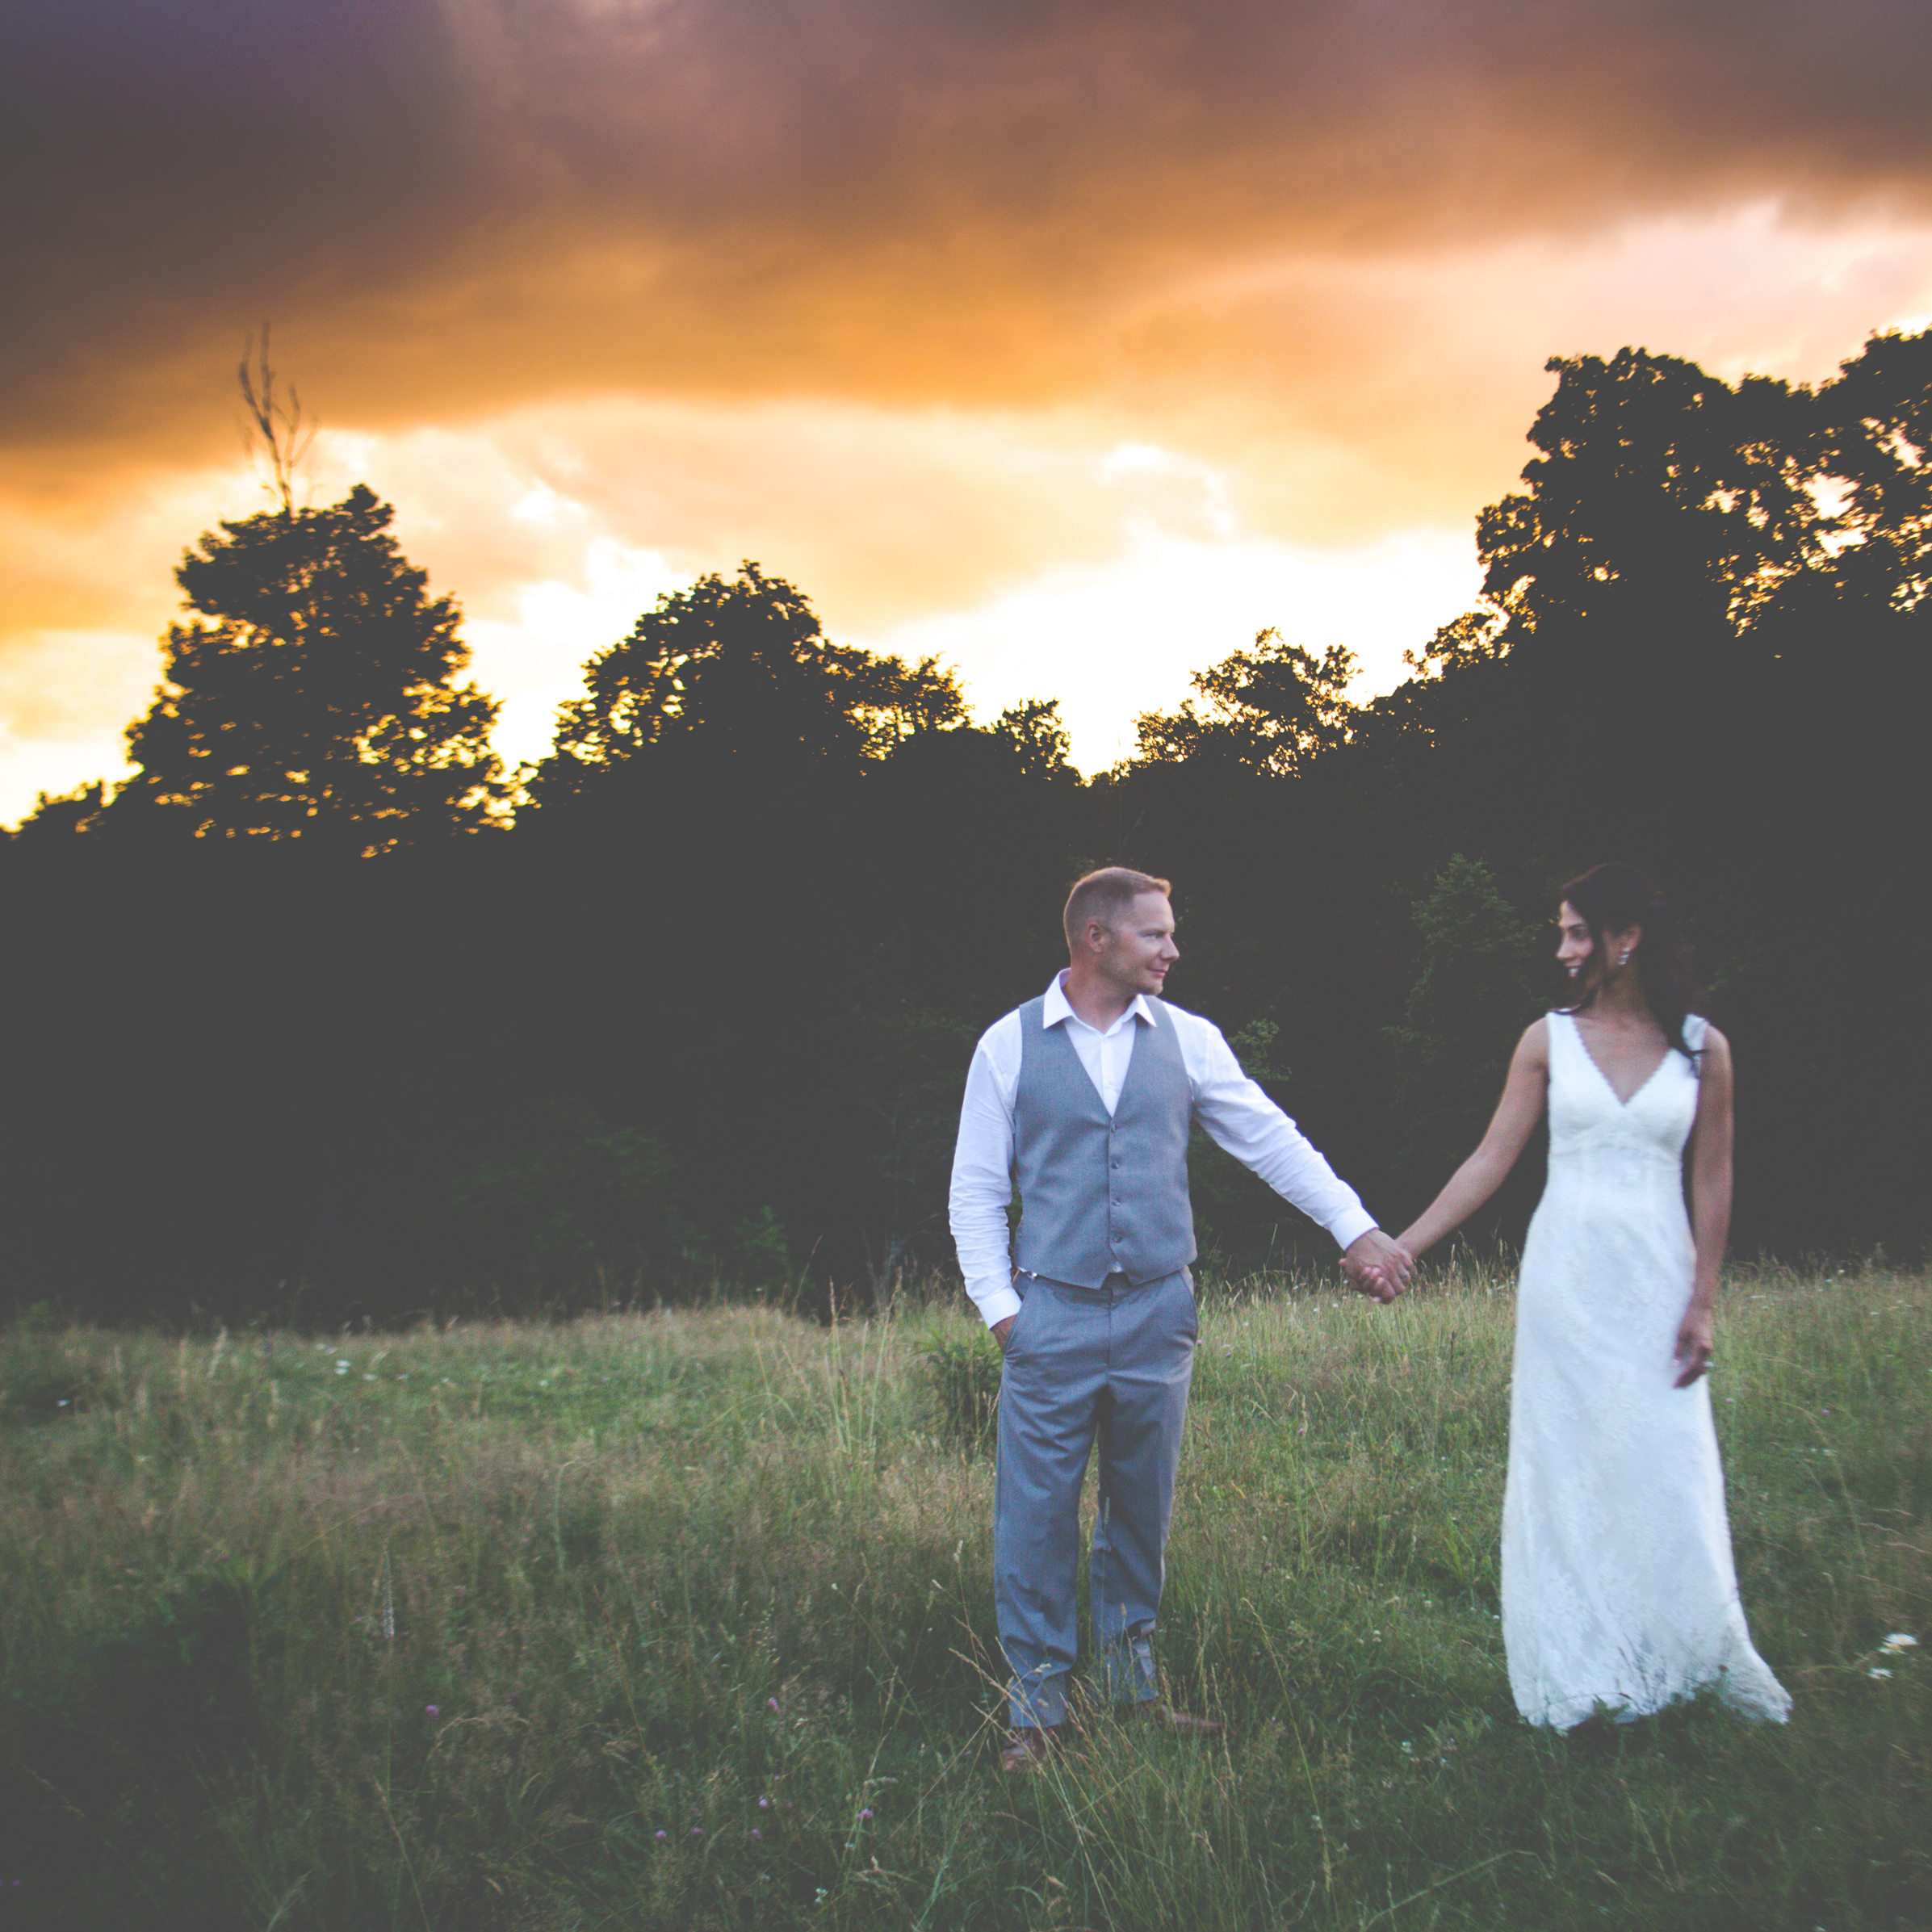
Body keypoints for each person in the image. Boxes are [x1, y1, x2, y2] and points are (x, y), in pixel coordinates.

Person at [949, 867, 1413, 1772]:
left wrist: (1353, 1227)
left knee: (1139, 1509)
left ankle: (1131, 1691)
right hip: (1050, 1315)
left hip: (1160, 1310)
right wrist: (1004, 1313)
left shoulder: (1189, 1039)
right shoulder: (1006, 1046)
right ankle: (1037, 1710)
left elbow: (1268, 1134)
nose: (1171, 948)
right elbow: (973, 1187)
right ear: (1095, 939)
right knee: (1034, 1516)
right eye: (1154, 934)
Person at [1394, 861, 1790, 1729]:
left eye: (1575, 930)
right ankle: (1581, 1666)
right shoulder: (1545, 1038)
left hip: (1656, 1272)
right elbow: (1488, 1158)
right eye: (1562, 931)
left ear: (1625, 938)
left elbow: (1712, 1181)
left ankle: (1680, 1648)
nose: (1561, 946)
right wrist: (1405, 1244)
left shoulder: (1701, 1047)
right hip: (1565, 1274)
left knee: (1661, 1454)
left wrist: (1702, 1300)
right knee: (1566, 1459)